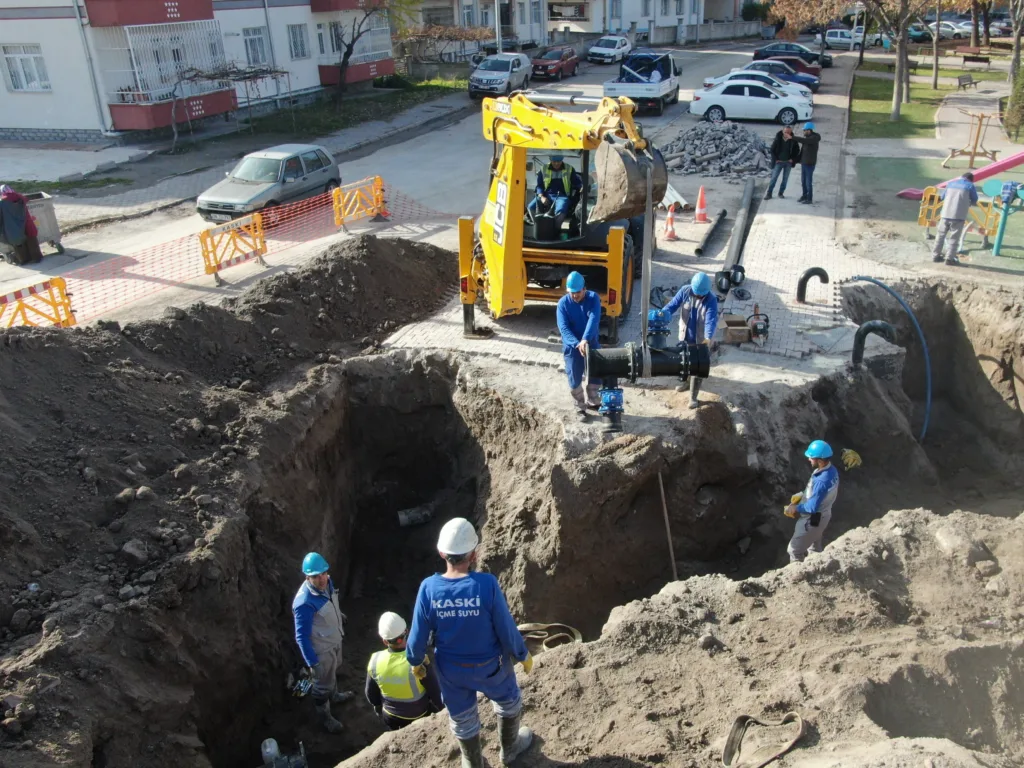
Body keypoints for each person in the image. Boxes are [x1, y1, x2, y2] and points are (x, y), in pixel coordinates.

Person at [407, 518, 534, 768]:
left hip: (452, 671)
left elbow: (417, 637)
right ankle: (509, 750)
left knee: (462, 718)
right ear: (473, 554)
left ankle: (473, 763)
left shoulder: (428, 589)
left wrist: (415, 661)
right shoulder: (487, 585)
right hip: (491, 667)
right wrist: (522, 653)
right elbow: (506, 627)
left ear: (442, 553)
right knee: (509, 702)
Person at [292, 552, 354, 733]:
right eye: (316, 576)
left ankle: (334, 695)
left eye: (324, 573)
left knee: (333, 671)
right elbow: (301, 637)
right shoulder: (304, 603)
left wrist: (339, 614)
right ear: (307, 577)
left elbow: (330, 601)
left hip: (334, 639)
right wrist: (313, 663)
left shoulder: (328, 583)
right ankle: (325, 717)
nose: (322, 579)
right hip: (322, 650)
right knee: (322, 685)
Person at [365, 611, 443, 730]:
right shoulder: (418, 660)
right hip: (419, 714)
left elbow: (371, 694)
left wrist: (377, 706)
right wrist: (443, 710)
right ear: (406, 631)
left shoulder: (374, 661)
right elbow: (435, 691)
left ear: (385, 641)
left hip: (391, 717)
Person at [659, 272, 719, 409]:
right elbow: (672, 305)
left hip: (701, 340)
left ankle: (693, 397)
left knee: (698, 367)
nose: (698, 296)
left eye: (701, 295)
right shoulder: (685, 291)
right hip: (685, 336)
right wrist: (662, 313)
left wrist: (708, 338)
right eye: (697, 294)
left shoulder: (711, 300)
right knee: (684, 361)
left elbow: (710, 320)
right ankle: (685, 383)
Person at [784, 440, 840, 563]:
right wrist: (802, 495)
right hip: (823, 517)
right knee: (814, 548)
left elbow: (811, 507)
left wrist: (795, 508)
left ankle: (798, 572)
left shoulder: (821, 481)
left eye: (811, 457)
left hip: (812, 520)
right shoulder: (831, 470)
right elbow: (819, 493)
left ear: (820, 461)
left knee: (794, 550)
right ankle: (818, 567)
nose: (809, 459)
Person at [556, 271, 602, 421]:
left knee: (596, 373)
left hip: (591, 343)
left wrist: (585, 339)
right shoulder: (563, 304)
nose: (575, 295)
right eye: (572, 292)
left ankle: (593, 401)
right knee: (574, 378)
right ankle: (580, 407)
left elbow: (593, 320)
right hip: (572, 347)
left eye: (578, 292)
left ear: (584, 289)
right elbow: (564, 329)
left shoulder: (593, 298)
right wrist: (577, 343)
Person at [931, 172, 978, 266]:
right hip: (958, 216)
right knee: (954, 238)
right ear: (971, 180)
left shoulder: (950, 184)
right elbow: (974, 199)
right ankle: (949, 259)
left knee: (940, 236)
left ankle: (935, 256)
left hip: (945, 214)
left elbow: (942, 197)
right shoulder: (970, 186)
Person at [528, 155, 582, 229]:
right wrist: (541, 196)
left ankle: (555, 230)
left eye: (558, 161)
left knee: (561, 210)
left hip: (562, 196)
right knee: (531, 207)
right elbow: (540, 185)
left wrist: (582, 187)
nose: (556, 163)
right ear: (550, 160)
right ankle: (537, 227)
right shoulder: (543, 169)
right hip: (546, 195)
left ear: (562, 160)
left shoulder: (569, 169)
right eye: (554, 162)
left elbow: (577, 182)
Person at [0, 184, 43, 266]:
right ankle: (36, 258)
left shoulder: (2, 201)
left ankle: (23, 259)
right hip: (26, 221)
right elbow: (26, 199)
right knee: (31, 238)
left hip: (13, 225)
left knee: (18, 242)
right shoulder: (19, 197)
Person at [764, 126, 801, 200]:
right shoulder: (778, 138)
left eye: (788, 132)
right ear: (782, 131)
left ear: (791, 132)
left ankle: (781, 193)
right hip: (778, 162)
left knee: (785, 179)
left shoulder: (793, 140)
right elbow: (772, 150)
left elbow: (797, 150)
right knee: (774, 178)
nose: (787, 134)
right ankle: (769, 193)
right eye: (785, 132)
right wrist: (776, 159)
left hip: (788, 163)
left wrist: (793, 159)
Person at [793, 122, 820, 205]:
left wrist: (792, 137)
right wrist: (796, 160)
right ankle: (804, 196)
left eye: (804, 130)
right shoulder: (807, 138)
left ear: (809, 130)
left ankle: (809, 198)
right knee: (803, 181)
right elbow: (802, 151)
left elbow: (804, 140)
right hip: (804, 163)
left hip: (809, 164)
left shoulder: (814, 138)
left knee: (808, 182)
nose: (803, 131)